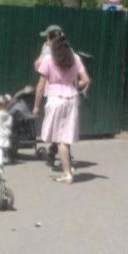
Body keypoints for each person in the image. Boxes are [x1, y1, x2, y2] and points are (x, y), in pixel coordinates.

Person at [32, 35, 91, 184]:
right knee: (66, 137)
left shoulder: (48, 59)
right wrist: (72, 86)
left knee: (60, 139)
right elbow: (86, 80)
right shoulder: (75, 58)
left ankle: (66, 174)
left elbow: (40, 87)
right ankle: (68, 168)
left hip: (55, 99)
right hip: (72, 99)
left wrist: (36, 106)